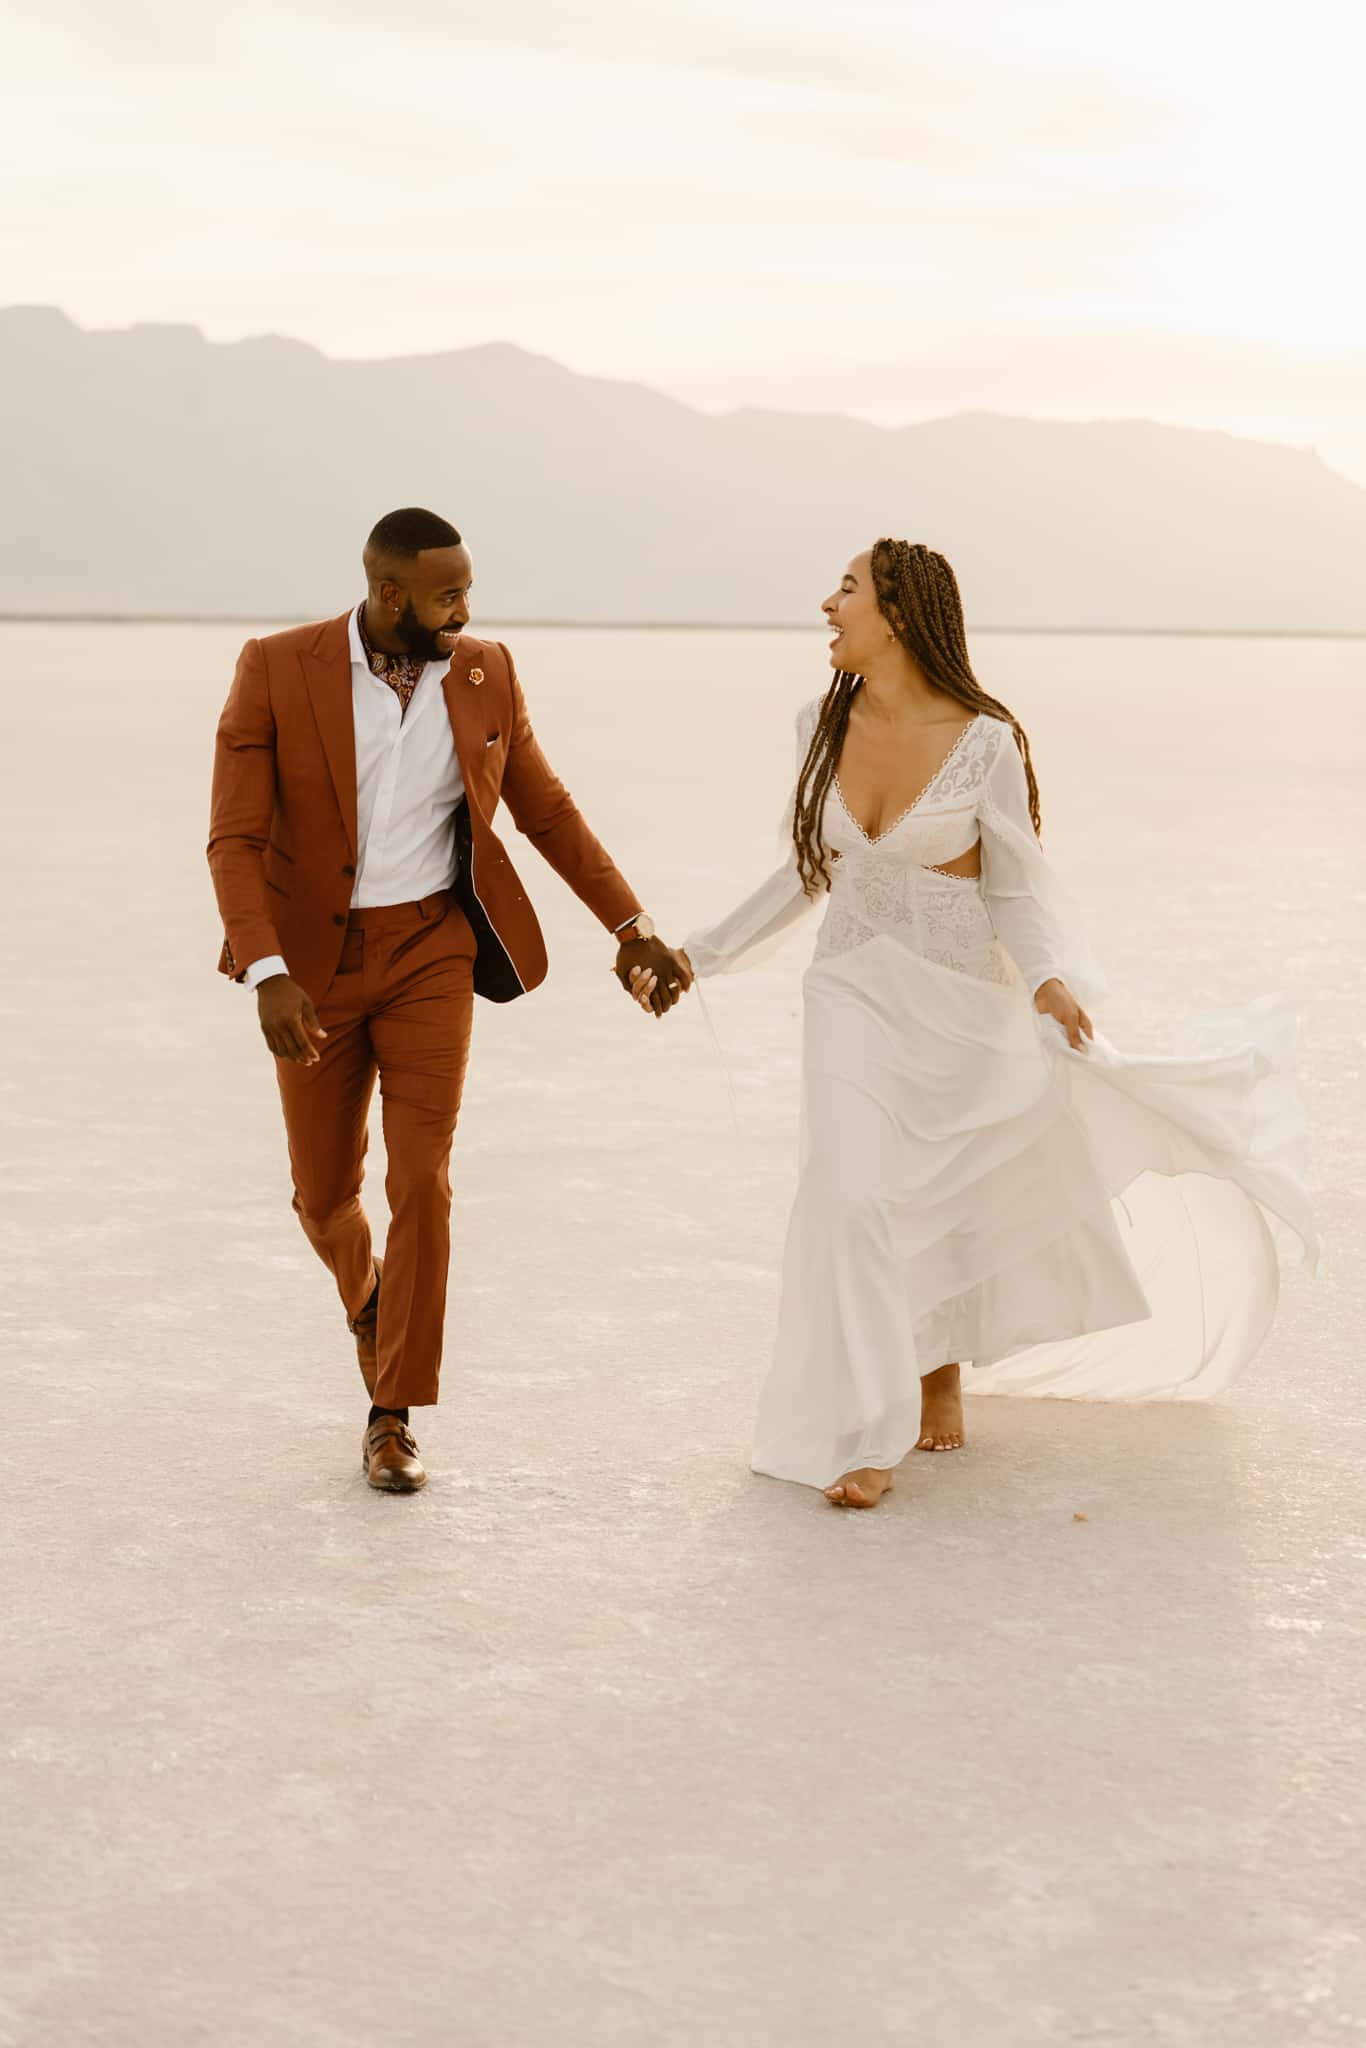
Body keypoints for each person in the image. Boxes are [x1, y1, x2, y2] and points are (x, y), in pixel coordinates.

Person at [630, 539, 1316, 1508]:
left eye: (846, 588)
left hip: (961, 996)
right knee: (854, 1191)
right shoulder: (815, 725)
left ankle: (937, 1353)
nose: (826, 603)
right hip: (850, 994)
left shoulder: (985, 741)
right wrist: (698, 954)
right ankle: (872, 1423)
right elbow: (807, 869)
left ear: (900, 614)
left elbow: (1015, 884)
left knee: (942, 1191)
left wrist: (1046, 981)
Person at [207, 507, 691, 1493]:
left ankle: (393, 1412)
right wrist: (266, 972)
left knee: (421, 1175)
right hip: (312, 963)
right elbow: (234, 838)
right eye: (447, 593)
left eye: (467, 588)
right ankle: (370, 1302)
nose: (467, 609)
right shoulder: (275, 666)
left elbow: (544, 806)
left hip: (432, 946)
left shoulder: (486, 671)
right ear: (387, 592)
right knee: (322, 1191)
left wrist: (630, 924)